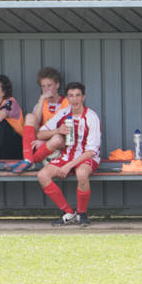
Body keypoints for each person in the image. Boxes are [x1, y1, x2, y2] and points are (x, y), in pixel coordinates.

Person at [35, 82, 102, 227]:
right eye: (71, 96)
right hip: (67, 156)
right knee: (42, 175)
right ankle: (69, 213)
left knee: (82, 173)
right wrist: (57, 131)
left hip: (87, 157)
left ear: (83, 97)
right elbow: (40, 133)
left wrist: (68, 166)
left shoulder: (91, 117)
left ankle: (82, 213)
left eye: (78, 95)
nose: (74, 99)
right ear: (67, 98)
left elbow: (91, 151)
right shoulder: (64, 113)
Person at [7, 66, 69, 173]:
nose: (46, 89)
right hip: (40, 140)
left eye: (49, 85)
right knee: (30, 116)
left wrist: (44, 142)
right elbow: (34, 128)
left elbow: (65, 133)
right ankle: (27, 159)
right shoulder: (40, 104)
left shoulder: (66, 103)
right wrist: (41, 99)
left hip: (59, 142)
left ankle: (30, 161)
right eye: (43, 86)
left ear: (57, 85)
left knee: (57, 138)